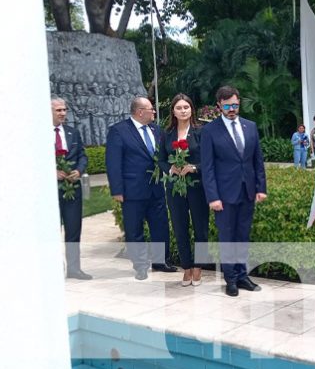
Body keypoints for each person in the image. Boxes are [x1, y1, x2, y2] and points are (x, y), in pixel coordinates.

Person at [200, 85, 267, 297]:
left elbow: (257, 161)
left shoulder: (250, 126)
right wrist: (213, 197)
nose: (232, 109)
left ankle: (242, 275)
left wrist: (260, 188)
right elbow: (207, 167)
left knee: (243, 236)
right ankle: (230, 279)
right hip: (224, 196)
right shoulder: (210, 131)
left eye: (235, 105)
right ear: (219, 105)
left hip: (247, 191)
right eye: (228, 105)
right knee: (227, 237)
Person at [106, 97, 176, 280]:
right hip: (132, 191)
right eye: (151, 109)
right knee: (134, 229)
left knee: (160, 226)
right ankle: (140, 266)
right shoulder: (119, 131)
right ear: (140, 112)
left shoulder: (156, 130)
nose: (154, 112)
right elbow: (113, 163)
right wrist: (117, 190)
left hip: (156, 188)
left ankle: (161, 261)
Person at [158, 94, 209, 287]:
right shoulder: (166, 133)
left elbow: (209, 159)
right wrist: (171, 169)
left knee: (200, 229)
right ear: (173, 111)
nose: (183, 110)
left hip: (197, 187)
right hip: (174, 188)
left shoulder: (201, 132)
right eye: (179, 107)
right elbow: (161, 159)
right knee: (180, 228)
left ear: (191, 109)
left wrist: (194, 167)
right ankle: (186, 267)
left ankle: (198, 268)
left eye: (186, 107)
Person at [52, 97, 92, 280]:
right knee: (51, 231)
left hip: (72, 189)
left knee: (73, 229)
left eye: (64, 110)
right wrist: (52, 172)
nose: (62, 113)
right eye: (58, 110)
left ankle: (74, 269)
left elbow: (83, 156)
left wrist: (78, 170)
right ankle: (53, 269)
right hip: (51, 192)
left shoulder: (72, 132)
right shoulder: (39, 134)